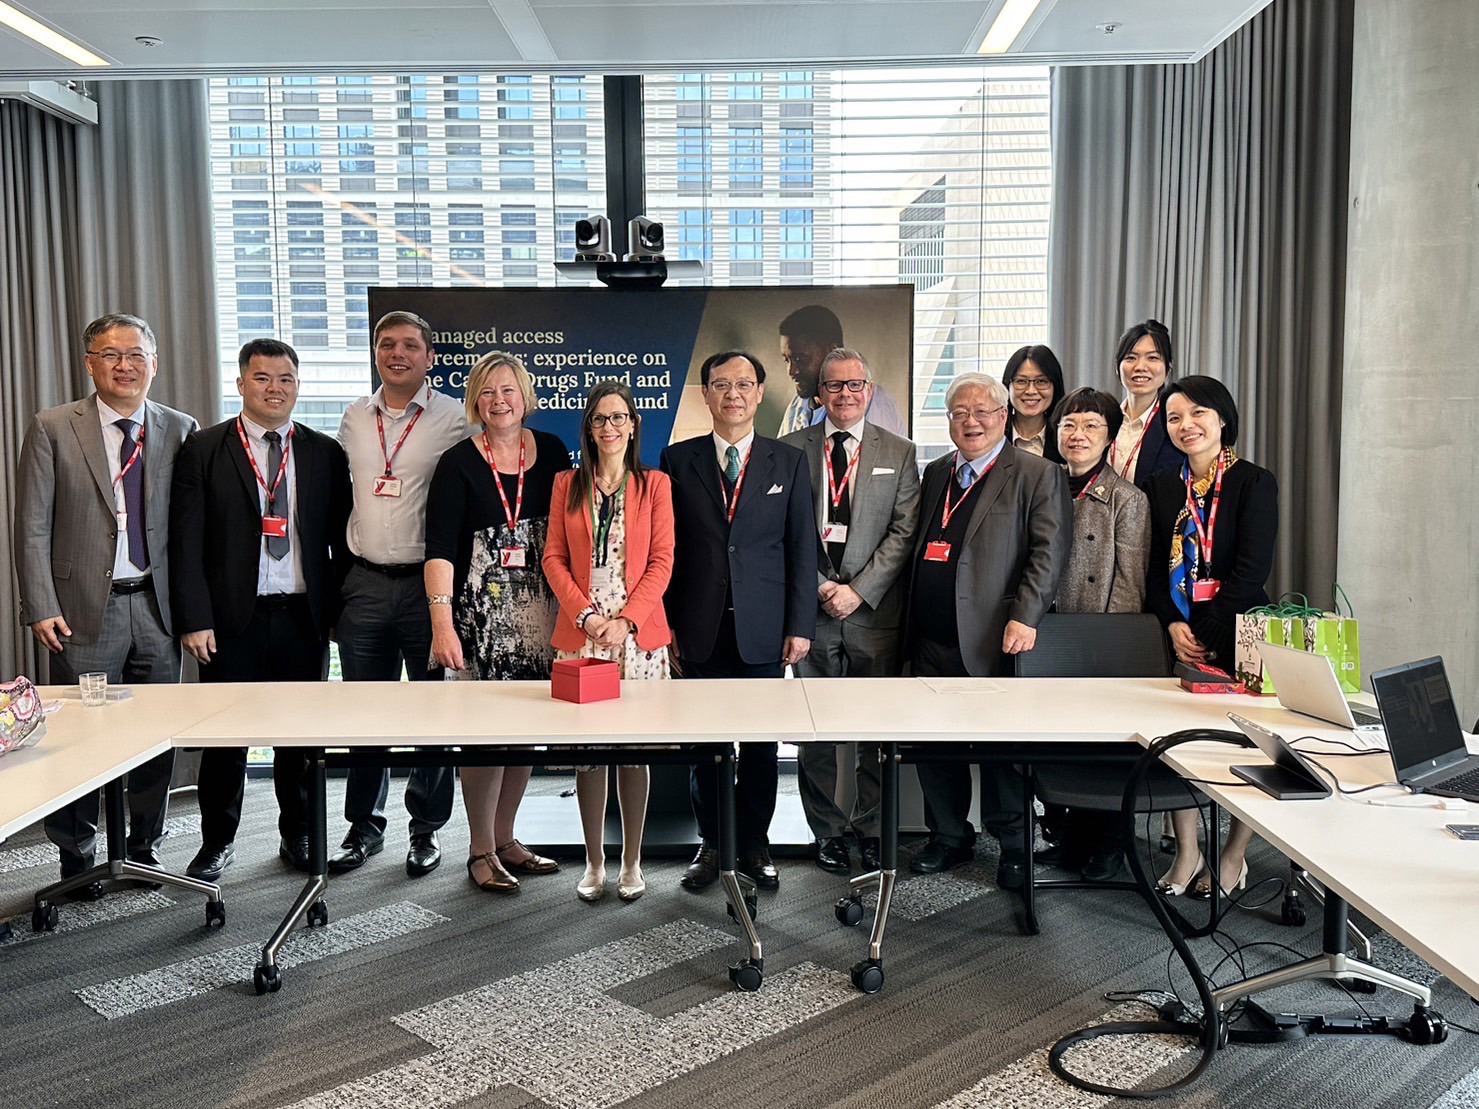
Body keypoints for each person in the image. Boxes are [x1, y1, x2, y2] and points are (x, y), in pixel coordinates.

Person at [15, 313, 198, 898]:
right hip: (81, 611)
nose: (125, 365)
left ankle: (143, 846)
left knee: (153, 736)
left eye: (136, 354)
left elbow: (191, 530)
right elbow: (32, 524)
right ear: (89, 363)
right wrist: (40, 604)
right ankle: (76, 856)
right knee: (78, 740)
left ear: (154, 363)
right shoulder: (52, 427)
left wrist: (195, 612)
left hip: (158, 610)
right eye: (111, 354)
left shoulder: (180, 428)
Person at [169, 339, 352, 881]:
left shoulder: (323, 452)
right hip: (229, 621)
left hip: (302, 617)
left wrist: (336, 613)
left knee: (300, 739)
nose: (275, 388)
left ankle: (299, 834)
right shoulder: (204, 448)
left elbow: (341, 542)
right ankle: (217, 842)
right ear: (241, 383)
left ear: (298, 386)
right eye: (263, 378)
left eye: (285, 379)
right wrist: (194, 619)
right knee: (226, 741)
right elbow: (185, 543)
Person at [907, 372, 1071, 890]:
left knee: (1002, 750)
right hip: (930, 638)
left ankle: (1015, 846)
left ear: (1004, 417)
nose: (970, 421)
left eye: (982, 411)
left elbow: (1049, 552)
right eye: (959, 412)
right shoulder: (936, 472)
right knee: (934, 745)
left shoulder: (1036, 473)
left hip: (995, 637)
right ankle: (948, 836)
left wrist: (1026, 616)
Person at [661, 350, 816, 892]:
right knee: (704, 746)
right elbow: (668, 551)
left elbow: (801, 548)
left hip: (764, 629)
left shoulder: (788, 461)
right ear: (706, 394)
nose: (733, 394)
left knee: (760, 748)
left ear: (759, 393)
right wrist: (667, 624)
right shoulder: (677, 460)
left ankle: (754, 844)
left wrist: (800, 624)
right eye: (721, 384)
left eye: (744, 384)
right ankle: (712, 844)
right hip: (698, 626)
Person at [425, 351, 568, 893]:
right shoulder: (457, 462)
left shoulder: (551, 451)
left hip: (541, 617)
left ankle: (507, 839)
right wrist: (442, 625)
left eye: (508, 390)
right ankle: (480, 849)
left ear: (525, 396)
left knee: (525, 735)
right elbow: (439, 550)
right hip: (478, 619)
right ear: (474, 402)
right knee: (484, 738)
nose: (498, 401)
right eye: (486, 391)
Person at [333, 310, 468, 878]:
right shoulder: (352, 418)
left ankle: (426, 829)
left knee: (433, 714)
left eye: (410, 345)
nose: (397, 353)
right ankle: (364, 827)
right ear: (374, 353)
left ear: (429, 358)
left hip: (426, 587)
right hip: (364, 582)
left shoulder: (455, 418)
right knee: (366, 714)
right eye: (386, 344)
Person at [780, 348, 919, 875]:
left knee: (875, 731)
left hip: (874, 615)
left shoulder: (900, 452)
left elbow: (904, 532)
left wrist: (858, 591)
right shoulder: (789, 449)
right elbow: (784, 530)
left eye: (854, 384)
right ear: (820, 394)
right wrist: (820, 587)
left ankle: (871, 827)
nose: (845, 394)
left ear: (870, 389)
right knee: (815, 732)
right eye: (834, 386)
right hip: (812, 613)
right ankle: (827, 832)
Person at [1144, 376, 1279, 898]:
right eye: (1175, 417)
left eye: (1198, 413)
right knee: (1177, 740)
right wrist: (1173, 623)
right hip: (1181, 632)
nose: (1187, 425)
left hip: (1243, 631)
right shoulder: (1161, 485)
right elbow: (1153, 570)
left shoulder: (1254, 482)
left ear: (1222, 418)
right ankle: (1188, 850)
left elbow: (1252, 569)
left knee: (1247, 745)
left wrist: (1208, 626)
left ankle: (1233, 855)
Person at [543, 380, 675, 902]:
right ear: (589, 428)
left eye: (619, 417)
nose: (609, 427)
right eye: (599, 418)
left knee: (634, 752)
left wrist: (627, 621)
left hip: (636, 638)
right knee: (589, 752)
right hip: (584, 636)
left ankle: (632, 861)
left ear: (633, 425)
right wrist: (585, 616)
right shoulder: (566, 484)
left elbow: (662, 560)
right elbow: (553, 557)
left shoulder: (654, 485)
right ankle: (594, 861)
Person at [1041, 386, 1152, 881]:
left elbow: (1129, 583)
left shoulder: (1127, 499)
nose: (1078, 434)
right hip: (1046, 637)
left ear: (1109, 438)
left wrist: (1108, 647)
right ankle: (1069, 839)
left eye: (1091, 426)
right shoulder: (1042, 486)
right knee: (1057, 743)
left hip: (1097, 641)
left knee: (1103, 747)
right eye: (1069, 425)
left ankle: (1109, 844)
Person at [776, 305, 907, 437]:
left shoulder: (876, 404)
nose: (791, 371)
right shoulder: (797, 406)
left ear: (833, 351)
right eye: (787, 360)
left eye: (800, 359)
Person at [1107, 319, 1185, 489]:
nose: (1140, 367)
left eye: (1152, 358)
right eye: (1131, 358)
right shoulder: (1103, 419)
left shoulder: (1175, 425)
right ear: (1117, 367)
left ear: (1168, 367)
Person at [1001, 345, 1066, 463]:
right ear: (1007, 386)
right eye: (1021, 381)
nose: (1031, 391)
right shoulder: (992, 435)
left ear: (1055, 386)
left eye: (1041, 381)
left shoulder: (1066, 438)